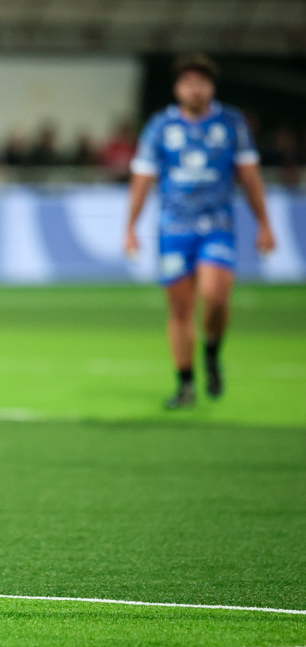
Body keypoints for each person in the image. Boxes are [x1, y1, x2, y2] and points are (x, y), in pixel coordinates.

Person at [125, 54, 275, 409]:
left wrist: (265, 223)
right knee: (179, 311)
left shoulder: (232, 123)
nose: (196, 89)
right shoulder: (160, 126)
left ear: (212, 86)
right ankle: (186, 383)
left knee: (215, 294)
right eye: (189, 82)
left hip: (216, 227)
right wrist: (130, 227)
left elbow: (250, 177)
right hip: (173, 229)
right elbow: (142, 179)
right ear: (178, 88)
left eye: (202, 82)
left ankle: (211, 351)